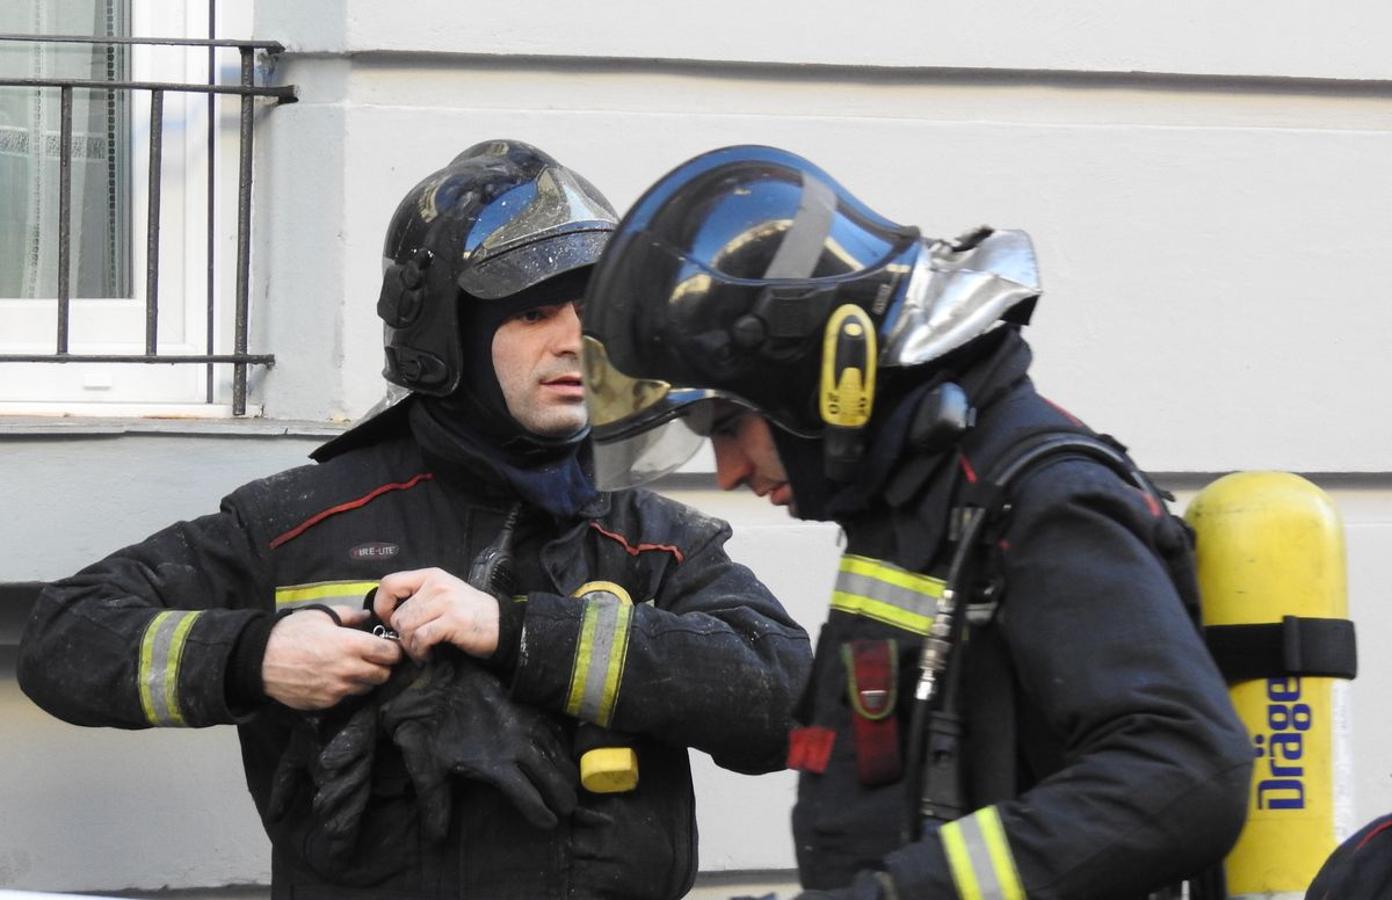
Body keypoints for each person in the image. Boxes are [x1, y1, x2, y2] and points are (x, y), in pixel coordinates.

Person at [18, 139, 812, 900]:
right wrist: (254, 656)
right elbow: (64, 640)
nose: (577, 342)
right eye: (535, 314)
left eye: (590, 310)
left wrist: (524, 635)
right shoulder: (298, 522)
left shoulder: (651, 538)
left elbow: (789, 704)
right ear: (447, 336)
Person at [579, 145, 1254, 899]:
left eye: (732, 426)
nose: (730, 470)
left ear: (814, 381)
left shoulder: (1041, 500)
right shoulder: (916, 497)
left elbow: (1185, 766)